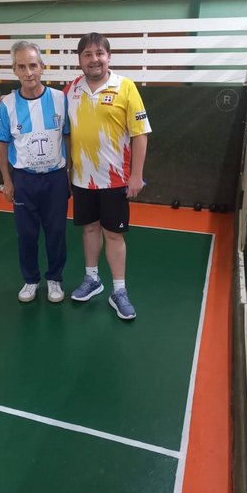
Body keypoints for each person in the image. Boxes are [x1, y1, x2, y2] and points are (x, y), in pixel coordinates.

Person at [64, 32, 151, 320]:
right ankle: (92, 279)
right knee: (89, 229)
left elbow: (140, 134)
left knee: (113, 234)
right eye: (87, 54)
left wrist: (136, 175)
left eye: (99, 53)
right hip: (82, 179)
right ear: (80, 60)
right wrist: (10, 98)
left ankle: (119, 291)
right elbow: (43, 104)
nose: (94, 59)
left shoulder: (126, 87)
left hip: (115, 179)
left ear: (109, 57)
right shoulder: (71, 89)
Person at [0, 40, 70, 304]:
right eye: (22, 67)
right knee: (26, 234)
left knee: (56, 232)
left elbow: (68, 136)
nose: (29, 72)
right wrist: (7, 181)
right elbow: (0, 144)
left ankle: (55, 279)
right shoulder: (7, 105)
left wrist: (69, 171)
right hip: (24, 180)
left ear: (42, 67)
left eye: (33, 65)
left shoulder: (60, 99)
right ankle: (31, 280)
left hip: (56, 179)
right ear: (14, 70)